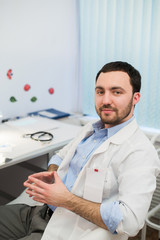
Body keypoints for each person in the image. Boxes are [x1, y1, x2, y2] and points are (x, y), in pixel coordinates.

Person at [0, 61, 160, 240]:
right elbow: (60, 156)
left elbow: (130, 222)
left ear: (135, 98)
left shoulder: (141, 152)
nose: (105, 100)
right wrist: (53, 175)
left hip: (69, 232)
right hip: (39, 213)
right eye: (100, 91)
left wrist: (65, 200)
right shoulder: (92, 128)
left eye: (116, 92)